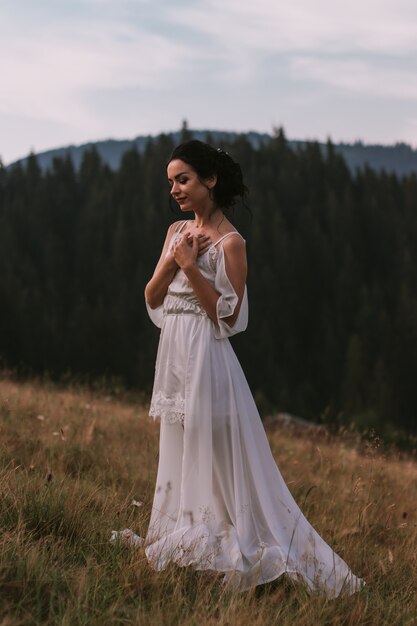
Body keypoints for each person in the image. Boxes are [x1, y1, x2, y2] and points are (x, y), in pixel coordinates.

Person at [143, 139, 364, 596]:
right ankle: (185, 530)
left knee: (217, 453)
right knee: (180, 444)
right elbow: (151, 296)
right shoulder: (175, 231)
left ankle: (233, 537)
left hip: (207, 355)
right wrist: (174, 258)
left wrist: (192, 265)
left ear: (210, 180)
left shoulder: (232, 244)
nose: (176, 190)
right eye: (171, 182)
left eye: (183, 180)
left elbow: (227, 317)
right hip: (175, 354)